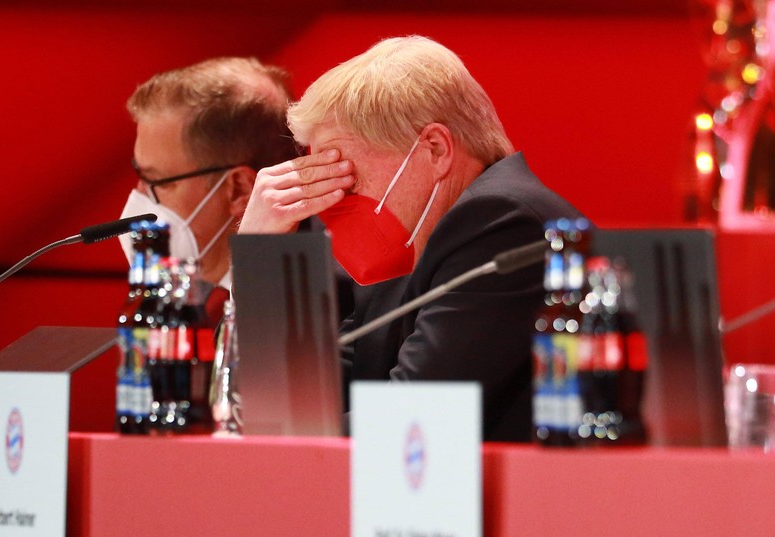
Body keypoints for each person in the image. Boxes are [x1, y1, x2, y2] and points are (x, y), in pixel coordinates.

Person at [239, 36, 585, 441]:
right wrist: (257, 259)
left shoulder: (503, 224)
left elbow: (412, 417)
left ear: (435, 149)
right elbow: (305, 398)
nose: (329, 202)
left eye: (344, 174)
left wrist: (261, 436)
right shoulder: (413, 236)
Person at [119, 56, 298, 323]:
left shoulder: (330, 310)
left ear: (238, 189)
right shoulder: (221, 303)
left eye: (159, 182)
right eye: (139, 175)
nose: (139, 198)